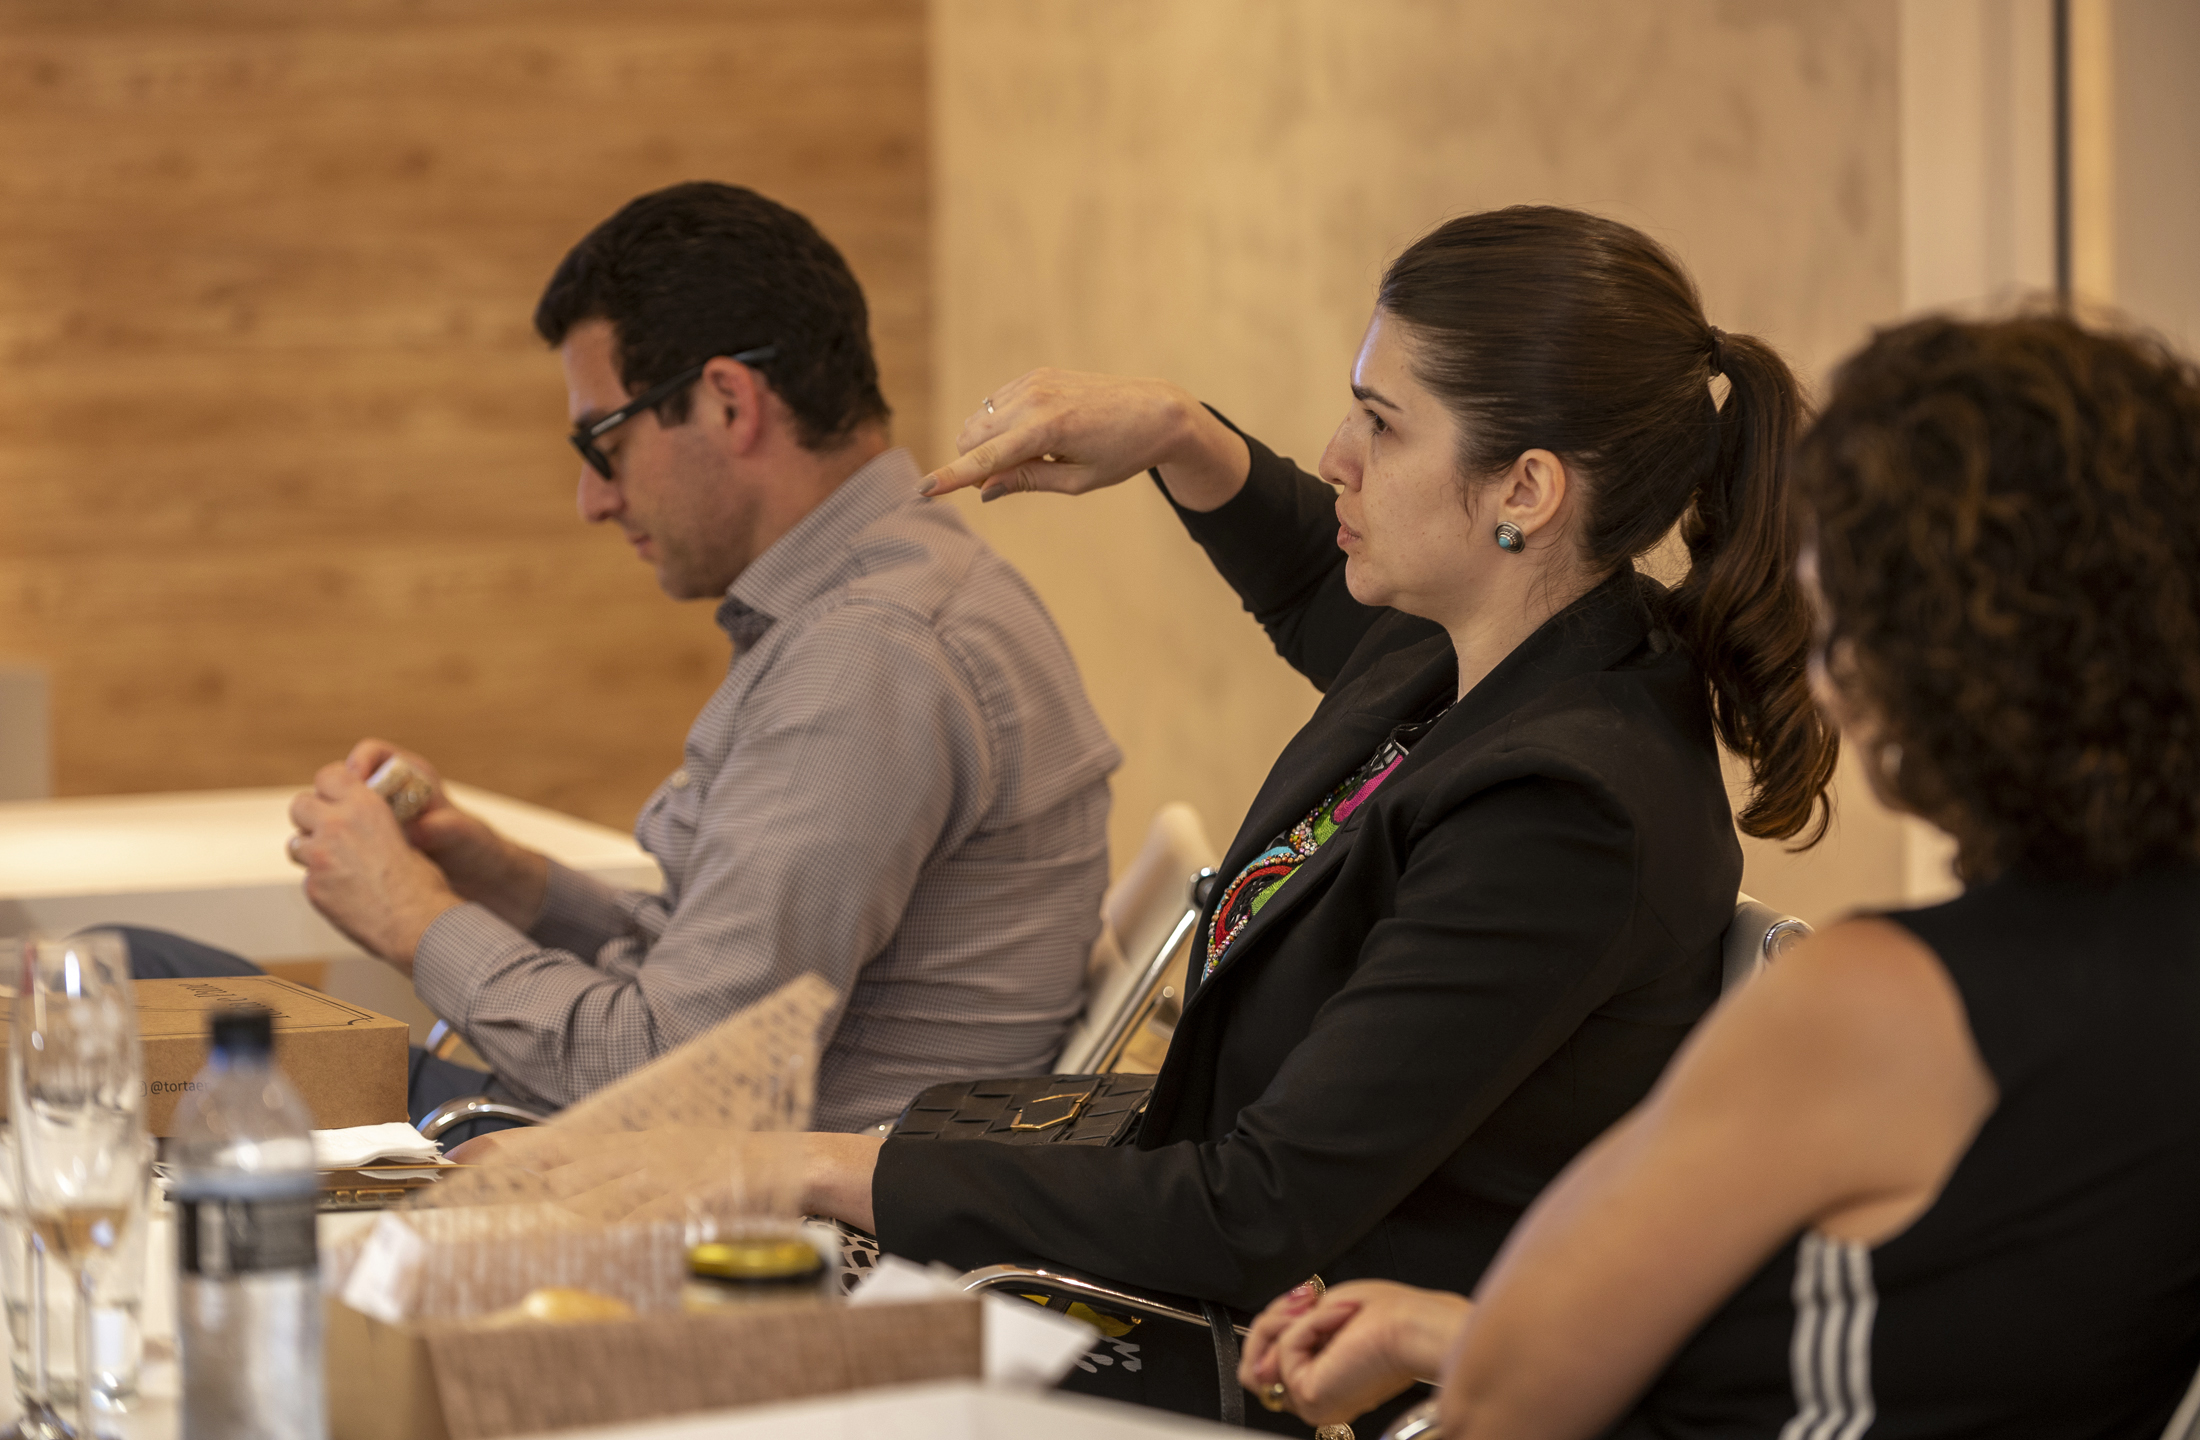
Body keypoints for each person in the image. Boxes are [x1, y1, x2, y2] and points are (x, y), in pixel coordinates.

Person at [466, 205, 1839, 1429]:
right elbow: (1307, 567)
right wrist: (1177, 432)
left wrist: (800, 1167)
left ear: (1525, 491)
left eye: (1381, 422)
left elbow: (1252, 1210)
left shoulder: (1563, 809)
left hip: (1299, 1364)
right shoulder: (1504, 647)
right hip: (1218, 1285)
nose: (1336, 457)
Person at [1237, 313, 2200, 1439]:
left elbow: (1510, 1402)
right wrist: (1449, 1331)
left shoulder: (1880, 1003)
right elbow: (1937, 1347)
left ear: (1906, 666)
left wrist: (1468, 1348)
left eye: (1830, 621)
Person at [277, 181, 1121, 1135]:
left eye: (603, 441)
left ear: (728, 403)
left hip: (696, 1194)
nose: (593, 501)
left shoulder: (867, 658)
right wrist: (504, 879)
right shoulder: (897, 598)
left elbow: (678, 1078)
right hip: (687, 1160)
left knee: (155, 988)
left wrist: (411, 916)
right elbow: (707, 973)